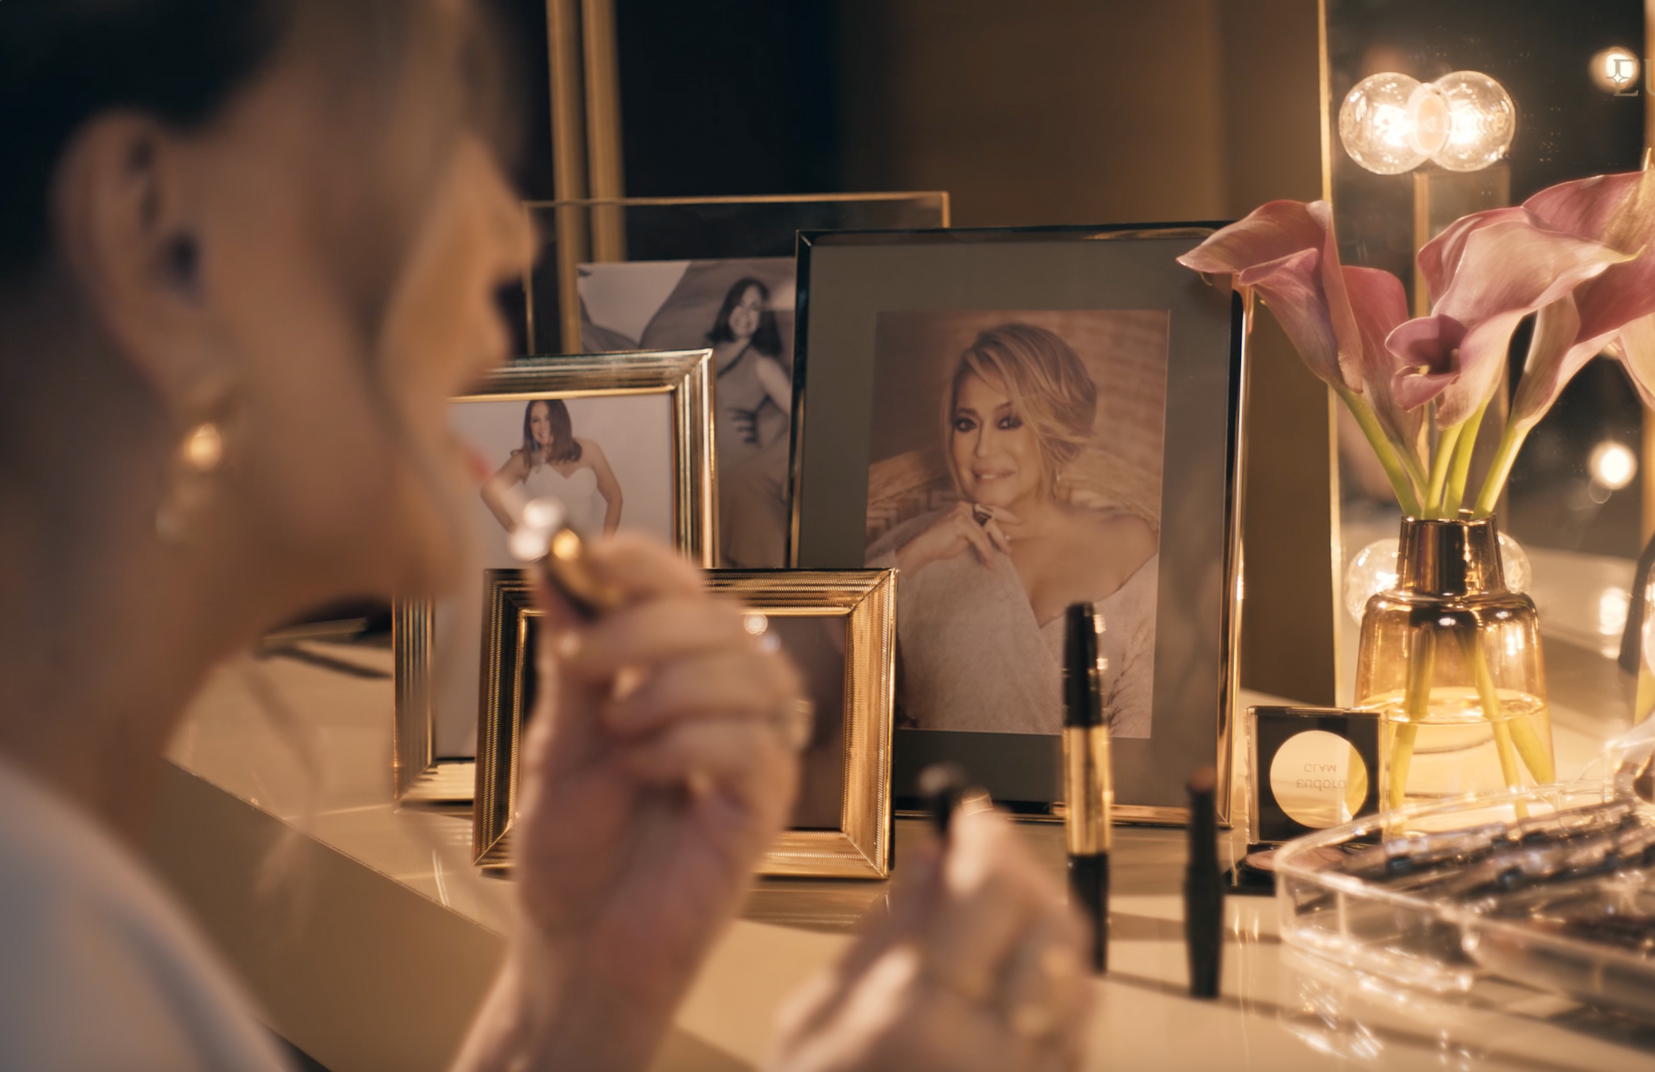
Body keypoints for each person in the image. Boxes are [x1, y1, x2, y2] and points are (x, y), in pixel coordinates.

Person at [0, 2, 1092, 1070]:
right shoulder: (42, 962)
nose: (508, 230)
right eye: (432, 121)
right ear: (162, 238)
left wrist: (570, 1006)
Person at [867, 324, 1160, 736]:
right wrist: (914, 557)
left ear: (1052, 427)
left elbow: (1144, 714)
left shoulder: (1127, 543)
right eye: (966, 423)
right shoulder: (913, 550)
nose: (983, 448)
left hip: (1096, 795)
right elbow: (831, 674)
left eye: (1008, 422)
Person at [706, 276, 794, 568]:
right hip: (699, 464)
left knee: (765, 556)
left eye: (754, 308)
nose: (744, 315)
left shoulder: (760, 362)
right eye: (739, 305)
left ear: (762, 319)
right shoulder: (701, 355)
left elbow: (801, 414)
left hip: (737, 469)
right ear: (728, 309)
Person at [480, 398, 623, 537]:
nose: (543, 426)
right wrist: (518, 531)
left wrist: (606, 543)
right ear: (529, 426)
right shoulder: (525, 460)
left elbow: (614, 495)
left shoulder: (589, 450)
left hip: (587, 550)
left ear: (560, 419)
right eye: (536, 420)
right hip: (547, 553)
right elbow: (489, 491)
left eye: (548, 418)